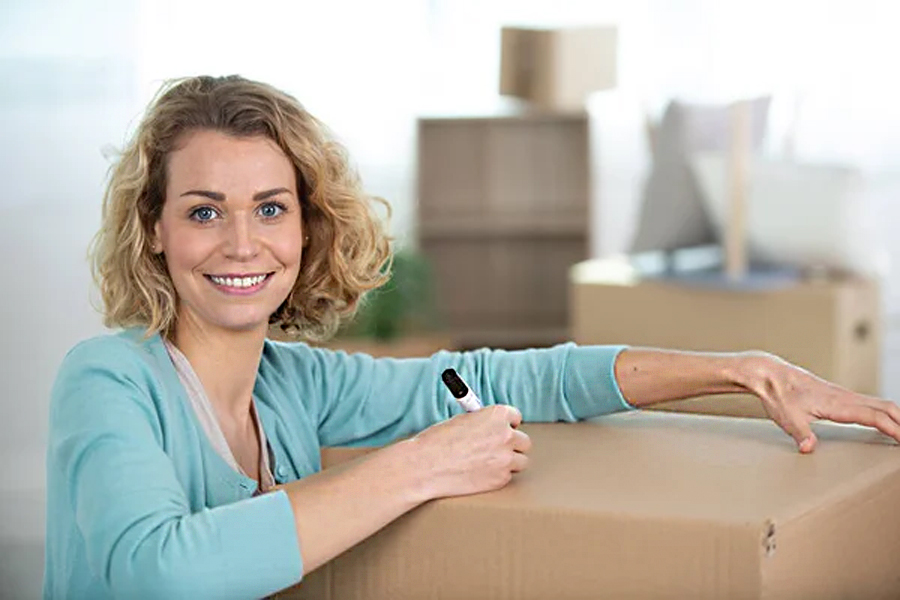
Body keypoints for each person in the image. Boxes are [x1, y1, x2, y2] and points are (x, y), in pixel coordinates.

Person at [44, 74, 900, 600]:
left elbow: (520, 378)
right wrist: (422, 463)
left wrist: (741, 370)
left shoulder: (295, 385)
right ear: (154, 228)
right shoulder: (108, 379)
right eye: (204, 211)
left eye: (270, 208)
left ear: (307, 226)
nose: (241, 243)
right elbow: (159, 575)